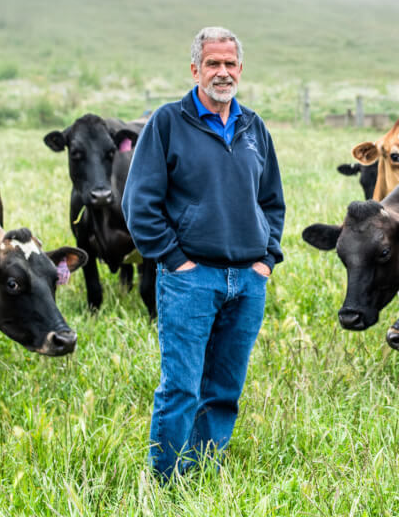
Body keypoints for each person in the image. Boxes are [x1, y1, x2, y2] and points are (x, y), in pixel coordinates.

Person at [122, 26, 285, 481]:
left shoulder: (254, 127)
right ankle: (167, 480)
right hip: (190, 278)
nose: (222, 72)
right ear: (195, 69)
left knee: (225, 389)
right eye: (212, 63)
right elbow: (139, 204)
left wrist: (265, 260)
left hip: (247, 282)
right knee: (181, 388)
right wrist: (175, 260)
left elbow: (271, 201)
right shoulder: (167, 123)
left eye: (230, 64)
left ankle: (205, 471)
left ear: (240, 70)